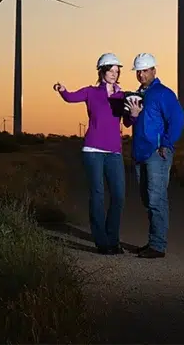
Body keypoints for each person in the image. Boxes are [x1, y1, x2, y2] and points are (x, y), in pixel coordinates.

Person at [53, 53, 129, 255]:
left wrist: (137, 111)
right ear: (102, 71)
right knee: (97, 195)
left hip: (114, 152)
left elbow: (131, 120)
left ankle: (113, 239)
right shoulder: (91, 92)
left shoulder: (122, 96)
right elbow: (70, 97)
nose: (114, 74)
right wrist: (62, 90)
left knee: (119, 196)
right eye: (111, 70)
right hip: (93, 150)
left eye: (117, 71)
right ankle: (102, 243)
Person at [123, 52, 184, 258]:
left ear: (154, 70)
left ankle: (158, 246)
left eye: (145, 70)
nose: (141, 74)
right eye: (138, 71)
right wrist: (131, 115)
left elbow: (178, 119)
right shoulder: (137, 95)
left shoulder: (163, 93)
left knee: (156, 199)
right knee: (147, 199)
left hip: (156, 153)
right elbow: (129, 123)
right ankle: (153, 241)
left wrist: (166, 144)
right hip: (140, 153)